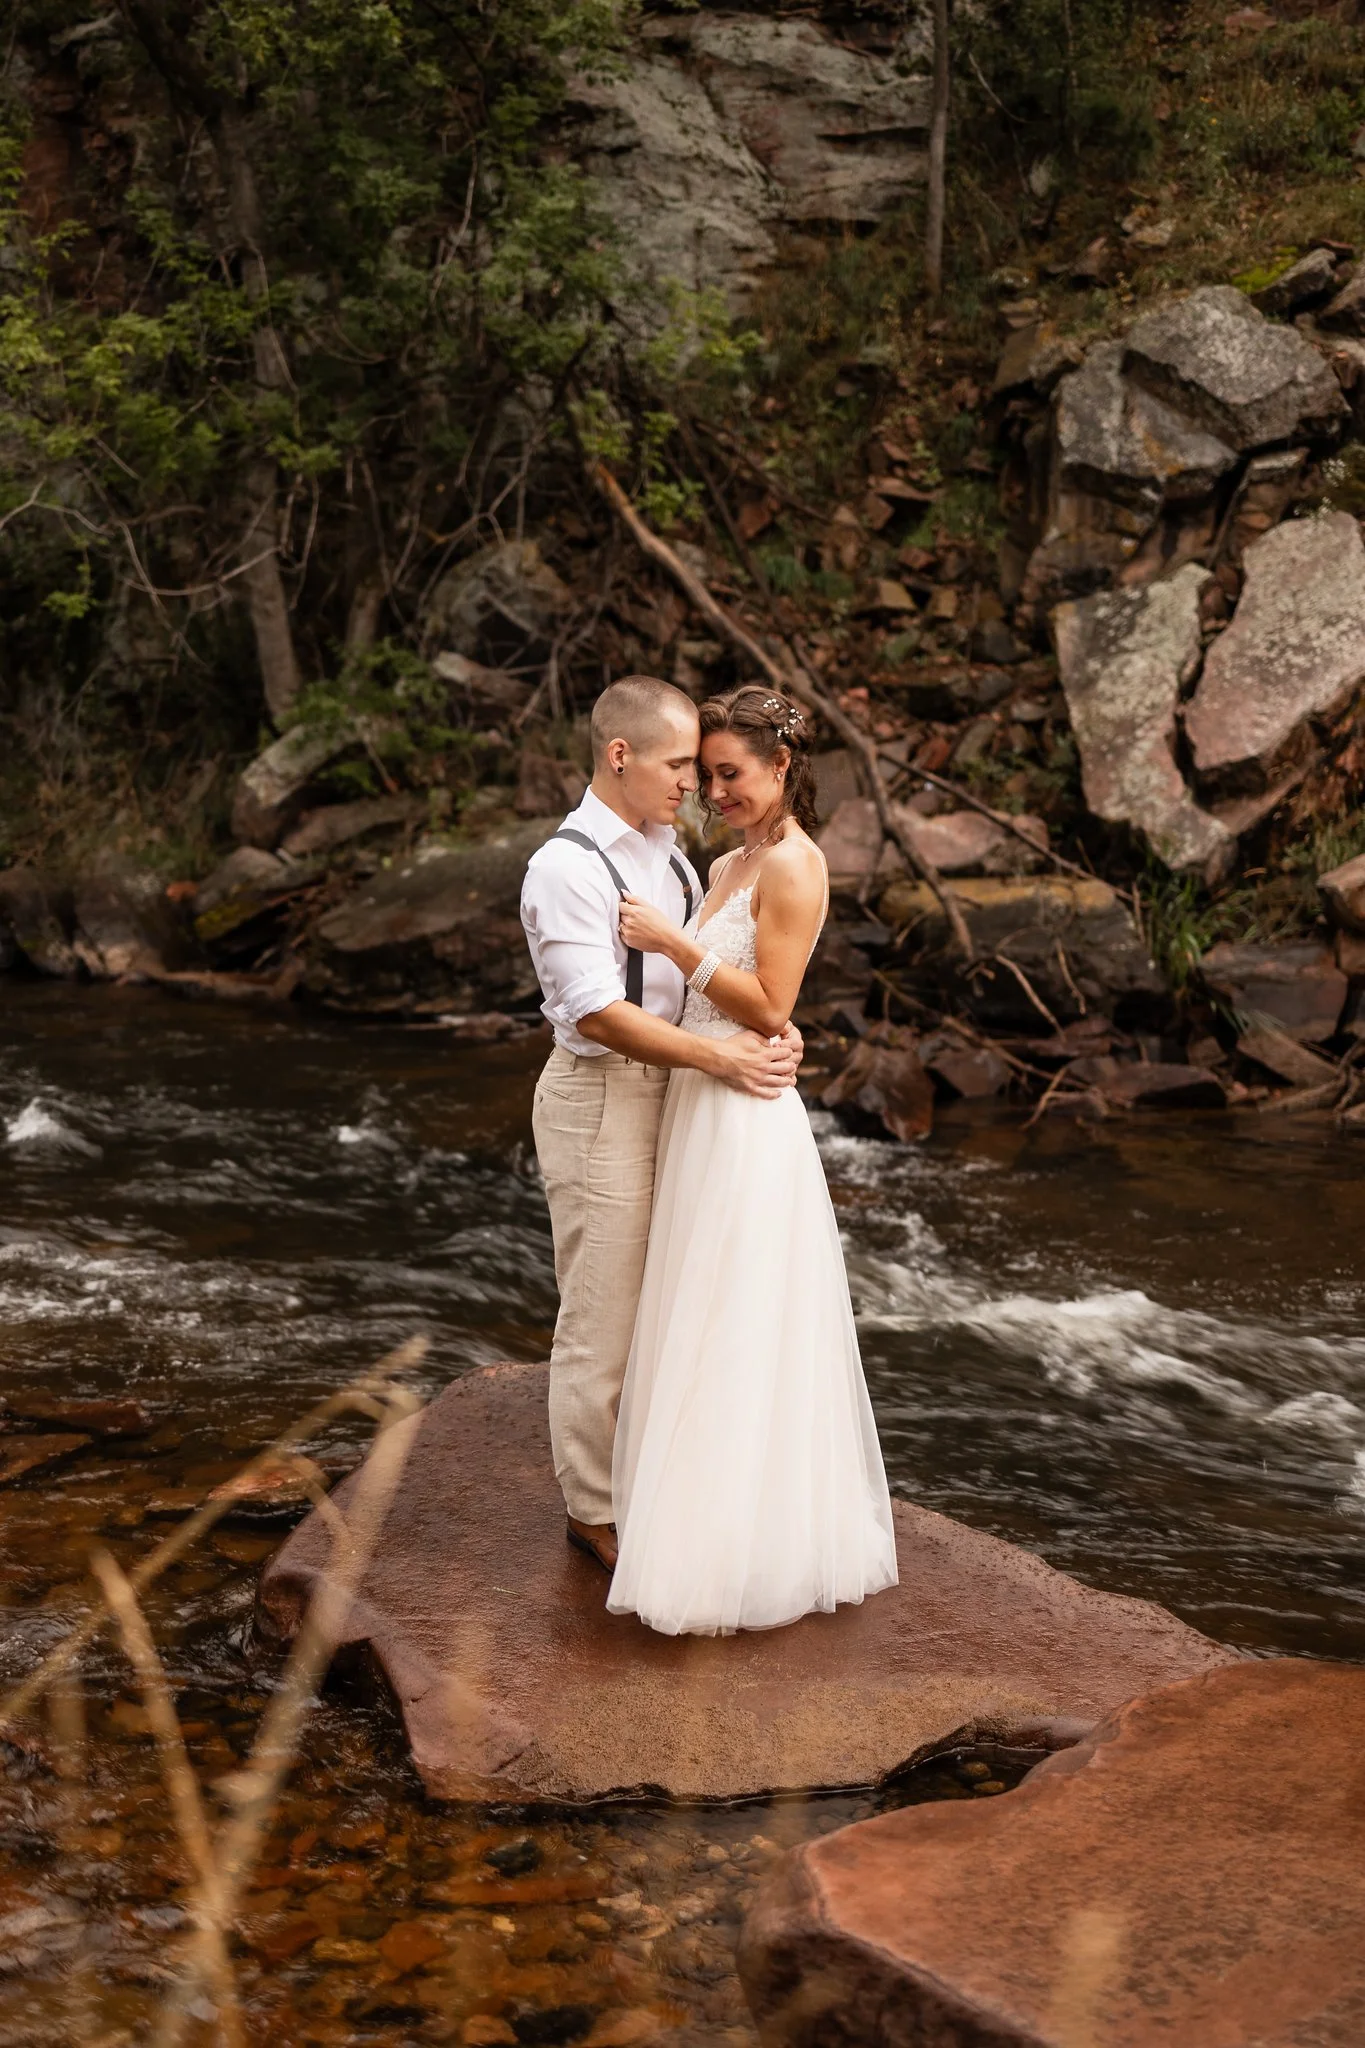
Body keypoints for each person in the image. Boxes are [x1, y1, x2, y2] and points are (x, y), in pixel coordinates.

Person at [606, 683, 899, 1636]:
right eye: (705, 774)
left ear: (781, 770)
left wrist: (671, 944)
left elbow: (771, 1005)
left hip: (742, 1117)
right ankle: (680, 1514)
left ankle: (733, 1553)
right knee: (691, 1309)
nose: (715, 791)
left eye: (731, 774)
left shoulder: (795, 867)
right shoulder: (725, 860)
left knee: (733, 1318)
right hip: (699, 1097)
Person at [520, 675, 802, 1578]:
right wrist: (722, 1060)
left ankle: (654, 1477)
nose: (695, 784)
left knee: (673, 1301)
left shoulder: (676, 857)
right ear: (620, 755)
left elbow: (720, 975)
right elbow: (597, 1012)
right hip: (603, 1097)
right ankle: (592, 1510)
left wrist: (773, 1031)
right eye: (680, 764)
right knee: (602, 1315)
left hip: (679, 1096)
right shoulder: (566, 867)